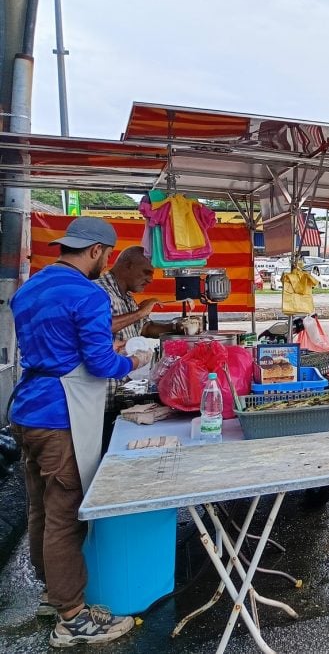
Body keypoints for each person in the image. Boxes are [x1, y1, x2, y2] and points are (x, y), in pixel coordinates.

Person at [9, 217, 153, 647]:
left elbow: (59, 348)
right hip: (60, 415)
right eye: (106, 256)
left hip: (26, 407)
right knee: (65, 515)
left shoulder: (29, 289)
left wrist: (109, 350)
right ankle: (72, 618)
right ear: (95, 251)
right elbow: (99, 365)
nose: (104, 263)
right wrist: (132, 361)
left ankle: (53, 596)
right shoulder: (88, 294)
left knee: (40, 509)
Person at [95, 246, 176, 450]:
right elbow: (101, 326)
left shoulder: (126, 296)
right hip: (97, 399)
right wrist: (141, 312)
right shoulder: (98, 291)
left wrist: (176, 327)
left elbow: (145, 327)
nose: (150, 279)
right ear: (126, 265)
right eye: (146, 272)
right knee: (98, 453)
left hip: (118, 393)